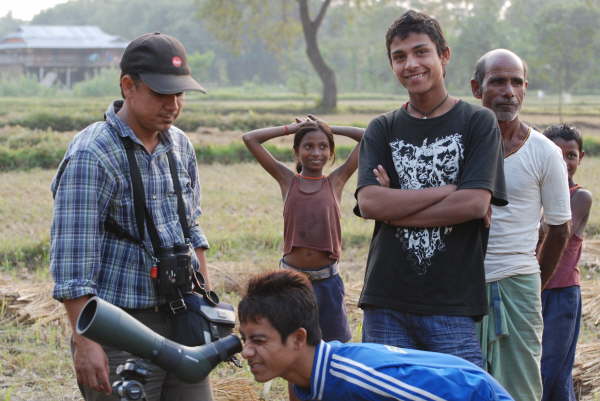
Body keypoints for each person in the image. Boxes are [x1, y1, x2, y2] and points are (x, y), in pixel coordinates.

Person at [50, 33, 213, 401]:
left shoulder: (179, 145)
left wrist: (206, 301)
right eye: (160, 94)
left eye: (179, 95)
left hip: (181, 316)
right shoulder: (93, 154)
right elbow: (72, 262)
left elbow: (191, 226)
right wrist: (85, 341)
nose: (172, 105)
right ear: (128, 86)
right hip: (119, 326)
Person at [355, 10, 507, 367]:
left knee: (458, 392)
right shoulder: (382, 128)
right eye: (399, 57)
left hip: (451, 303)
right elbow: (371, 202)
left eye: (421, 52)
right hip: (385, 298)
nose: (411, 64)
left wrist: (397, 211)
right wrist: (447, 190)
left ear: (444, 55)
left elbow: (472, 204)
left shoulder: (478, 122)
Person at [238, 269, 515, 401]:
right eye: (245, 339)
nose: (247, 352)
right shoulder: (302, 382)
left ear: (298, 338)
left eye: (259, 340)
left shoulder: (357, 376)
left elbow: (461, 390)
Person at [470, 49, 572, 400]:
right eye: (497, 81)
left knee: (521, 387)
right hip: (457, 286)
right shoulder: (458, 145)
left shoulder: (545, 152)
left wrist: (534, 283)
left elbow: (560, 228)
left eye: (516, 82)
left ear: (526, 88)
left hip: (519, 282)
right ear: (476, 88)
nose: (508, 91)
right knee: (461, 383)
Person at [242, 116, 363, 343]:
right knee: (294, 348)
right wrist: (291, 128)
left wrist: (326, 126)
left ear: (331, 152)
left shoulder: (335, 181)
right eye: (308, 146)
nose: (316, 152)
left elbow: (366, 137)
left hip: (327, 283)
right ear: (297, 152)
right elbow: (250, 139)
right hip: (292, 284)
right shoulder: (287, 181)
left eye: (323, 146)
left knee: (334, 347)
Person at [540, 124, 592, 401]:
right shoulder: (533, 193)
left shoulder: (580, 197)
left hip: (561, 294)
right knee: (531, 367)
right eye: (556, 155)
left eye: (570, 156)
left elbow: (554, 229)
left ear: (580, 157)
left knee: (554, 370)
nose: (564, 162)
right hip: (530, 290)